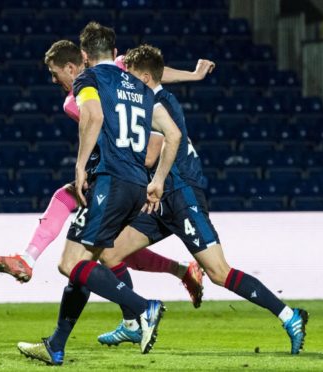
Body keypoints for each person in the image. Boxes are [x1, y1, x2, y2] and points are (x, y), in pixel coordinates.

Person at [94, 44, 309, 354]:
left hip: (181, 196)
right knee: (111, 254)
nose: (123, 81)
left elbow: (155, 151)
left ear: (141, 77)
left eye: (128, 76)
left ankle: (290, 316)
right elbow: (156, 72)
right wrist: (194, 76)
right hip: (160, 198)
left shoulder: (154, 106)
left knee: (219, 272)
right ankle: (131, 324)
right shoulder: (150, 94)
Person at [0, 40, 216, 308]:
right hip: (130, 164)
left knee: (96, 245)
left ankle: (136, 312)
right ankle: (170, 281)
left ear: (72, 67)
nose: (53, 80)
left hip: (144, 165)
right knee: (107, 247)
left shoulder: (87, 92)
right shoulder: (92, 87)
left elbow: (153, 72)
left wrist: (193, 75)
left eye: (54, 73)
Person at [17, 23, 182, 365]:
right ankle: (56, 345)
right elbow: (174, 135)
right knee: (87, 262)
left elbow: (91, 115)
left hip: (110, 182)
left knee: (71, 263)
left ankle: (142, 308)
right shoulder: (140, 86)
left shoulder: (88, 80)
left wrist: (80, 166)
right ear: (115, 49)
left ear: (84, 56)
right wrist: (159, 180)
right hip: (137, 185)